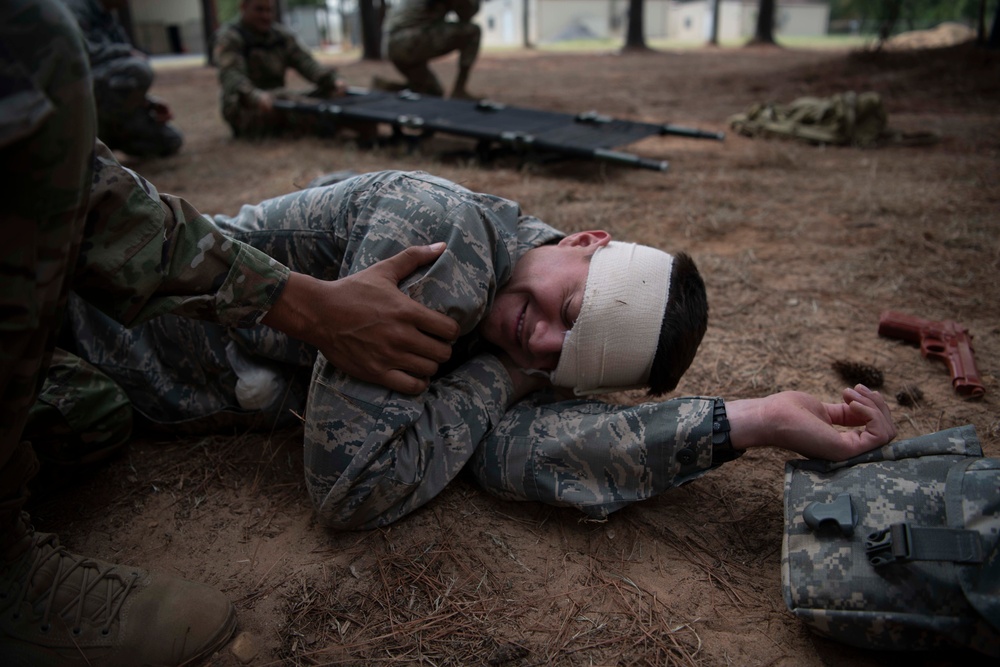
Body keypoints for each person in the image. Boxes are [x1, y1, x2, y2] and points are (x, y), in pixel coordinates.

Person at [50, 171, 896, 534]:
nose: (541, 339)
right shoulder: (445, 238)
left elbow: (510, 449)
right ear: (586, 238)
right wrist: (503, 377)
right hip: (73, 324)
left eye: (571, 354)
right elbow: (353, 485)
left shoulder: (522, 320)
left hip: (120, 386)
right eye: (571, 307)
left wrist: (756, 420)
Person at [0, 2, 459, 665]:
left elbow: (95, 201)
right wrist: (311, 310)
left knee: (88, 412)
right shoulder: (228, 41)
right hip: (249, 120)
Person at [62, 0, 184, 157]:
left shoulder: (107, 16)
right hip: (81, 101)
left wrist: (147, 102)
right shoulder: (74, 8)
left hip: (106, 103)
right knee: (137, 71)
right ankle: (95, 137)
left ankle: (111, 135)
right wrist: (127, 52)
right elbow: (83, 55)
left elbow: (113, 81)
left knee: (170, 140)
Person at [214, 0, 347, 137]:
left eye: (269, 10)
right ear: (243, 7)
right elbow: (232, 76)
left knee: (330, 92)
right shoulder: (230, 37)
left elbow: (306, 63)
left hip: (279, 101)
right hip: (246, 108)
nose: (265, 16)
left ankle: (342, 119)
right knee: (289, 100)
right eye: (259, 10)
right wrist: (255, 96)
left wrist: (332, 80)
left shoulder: (280, 36)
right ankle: (343, 123)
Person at [380, 0, 482, 99]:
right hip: (408, 40)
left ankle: (389, 90)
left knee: (433, 91)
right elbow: (466, 14)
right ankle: (459, 90)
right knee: (473, 31)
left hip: (393, 45)